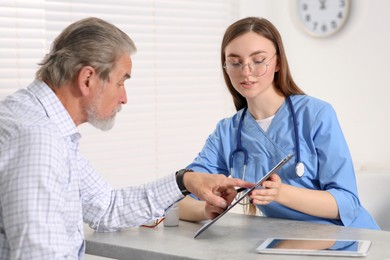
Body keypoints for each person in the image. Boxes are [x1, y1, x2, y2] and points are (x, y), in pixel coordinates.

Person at [0, 17, 254, 259]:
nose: (124, 97)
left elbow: (106, 207)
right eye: (121, 82)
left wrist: (184, 181)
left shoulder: (47, 127)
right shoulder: (39, 140)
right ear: (87, 79)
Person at [178, 17, 379, 230]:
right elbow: (179, 197)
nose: (246, 72)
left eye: (258, 60)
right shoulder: (228, 132)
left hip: (350, 237)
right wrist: (206, 210)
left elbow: (347, 202)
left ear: (278, 63)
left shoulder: (316, 114)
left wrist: (283, 194)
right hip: (287, 240)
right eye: (235, 62)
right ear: (226, 67)